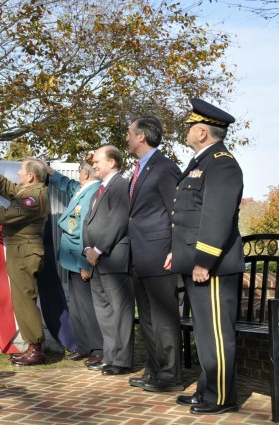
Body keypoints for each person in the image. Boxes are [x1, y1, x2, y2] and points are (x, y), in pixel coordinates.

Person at [165, 98, 244, 415]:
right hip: (196, 262)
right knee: (205, 332)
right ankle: (206, 390)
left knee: (216, 334)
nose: (185, 131)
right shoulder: (201, 162)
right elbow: (187, 215)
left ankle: (222, 396)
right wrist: (178, 252)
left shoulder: (221, 162)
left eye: (188, 127)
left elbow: (217, 217)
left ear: (201, 131)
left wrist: (203, 261)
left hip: (212, 266)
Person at [0, 159, 49, 366]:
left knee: (25, 300)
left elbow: (8, 216)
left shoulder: (34, 196)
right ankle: (33, 346)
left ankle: (35, 349)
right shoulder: (29, 192)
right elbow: (9, 189)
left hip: (25, 253)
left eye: (22, 170)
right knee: (22, 299)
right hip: (21, 251)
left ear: (31, 176)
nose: (19, 174)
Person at [125, 116, 183, 392]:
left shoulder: (164, 168)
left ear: (141, 137)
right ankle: (154, 371)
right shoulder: (137, 170)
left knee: (164, 318)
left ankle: (171, 377)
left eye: (129, 133)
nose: (126, 138)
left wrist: (175, 249)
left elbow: (178, 212)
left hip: (160, 255)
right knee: (147, 318)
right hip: (139, 255)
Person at [46, 158, 104, 366]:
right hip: (72, 258)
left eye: (80, 171)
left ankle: (98, 348)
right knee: (78, 307)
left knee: (88, 307)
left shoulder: (93, 193)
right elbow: (68, 185)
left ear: (85, 174)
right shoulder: (84, 188)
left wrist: (84, 264)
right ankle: (83, 344)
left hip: (81, 259)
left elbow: (85, 230)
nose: (78, 175)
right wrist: (50, 172)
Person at [82, 146, 134, 375]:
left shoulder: (121, 185)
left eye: (97, 161)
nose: (93, 164)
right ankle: (110, 357)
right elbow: (87, 222)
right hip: (96, 260)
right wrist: (86, 248)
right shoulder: (98, 190)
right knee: (104, 311)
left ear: (112, 162)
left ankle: (122, 361)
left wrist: (98, 249)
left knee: (119, 312)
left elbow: (118, 220)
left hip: (113, 258)